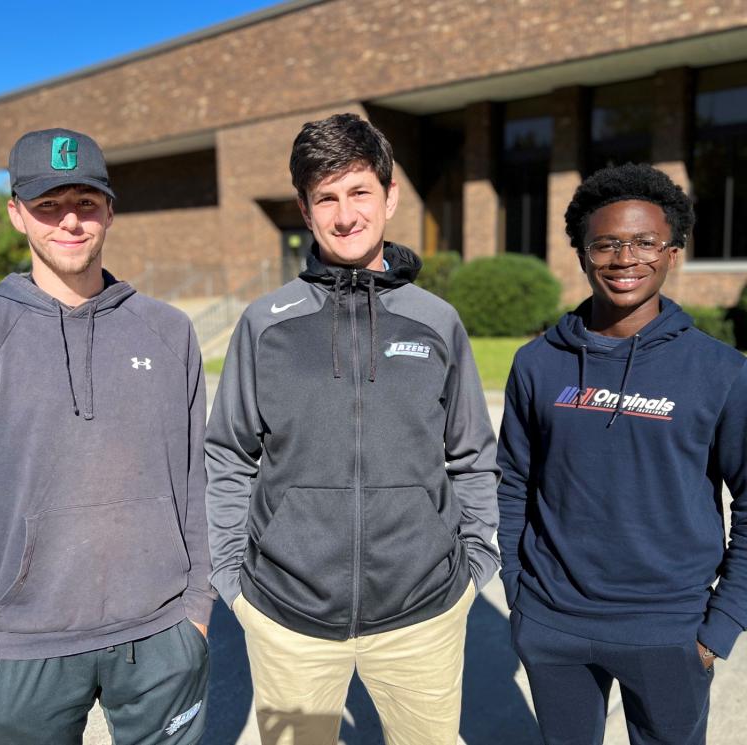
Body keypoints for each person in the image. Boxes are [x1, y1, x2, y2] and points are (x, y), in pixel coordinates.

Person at [205, 112, 499, 745]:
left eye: (359, 191)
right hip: (288, 620)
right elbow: (228, 455)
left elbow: (472, 454)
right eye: (326, 198)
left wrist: (475, 565)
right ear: (306, 212)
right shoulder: (265, 325)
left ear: (390, 197)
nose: (345, 216)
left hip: (423, 614)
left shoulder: (436, 322)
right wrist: (232, 577)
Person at [0, 128, 214, 745]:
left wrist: (196, 611)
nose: (70, 221)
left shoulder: (168, 332)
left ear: (110, 210)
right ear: (16, 214)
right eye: (48, 205)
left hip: (161, 636)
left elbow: (195, 482)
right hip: (23, 650)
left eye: (86, 203)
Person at [497, 162, 747, 745]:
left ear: (672, 251)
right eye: (605, 243)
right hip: (552, 623)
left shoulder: (721, 372)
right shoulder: (538, 364)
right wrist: (518, 593)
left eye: (643, 242)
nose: (624, 258)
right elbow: (513, 483)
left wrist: (722, 625)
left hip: (670, 631)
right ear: (583, 254)